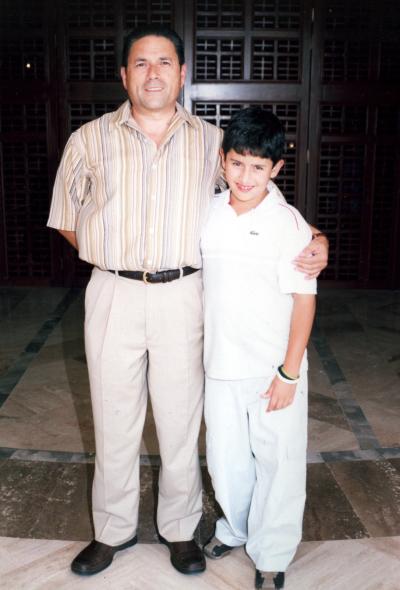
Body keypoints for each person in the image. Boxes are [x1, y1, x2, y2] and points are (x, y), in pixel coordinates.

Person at [47, 25, 327, 578]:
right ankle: (113, 530)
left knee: (180, 422)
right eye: (141, 63)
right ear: (125, 76)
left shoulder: (211, 141)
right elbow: (65, 217)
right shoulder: (88, 139)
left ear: (181, 72)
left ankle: (179, 530)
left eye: (165, 62)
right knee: (114, 418)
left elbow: (261, 197)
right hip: (112, 293)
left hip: (183, 295)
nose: (154, 72)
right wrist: (113, 255)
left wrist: (318, 239)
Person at [201, 107, 317, 589]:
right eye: (236, 163)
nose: (245, 177)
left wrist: (290, 373)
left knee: (279, 462)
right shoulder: (206, 212)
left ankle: (272, 553)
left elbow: (304, 301)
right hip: (219, 365)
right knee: (225, 463)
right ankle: (236, 527)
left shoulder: (287, 223)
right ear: (223, 161)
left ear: (276, 169)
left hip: (274, 370)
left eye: (257, 166)